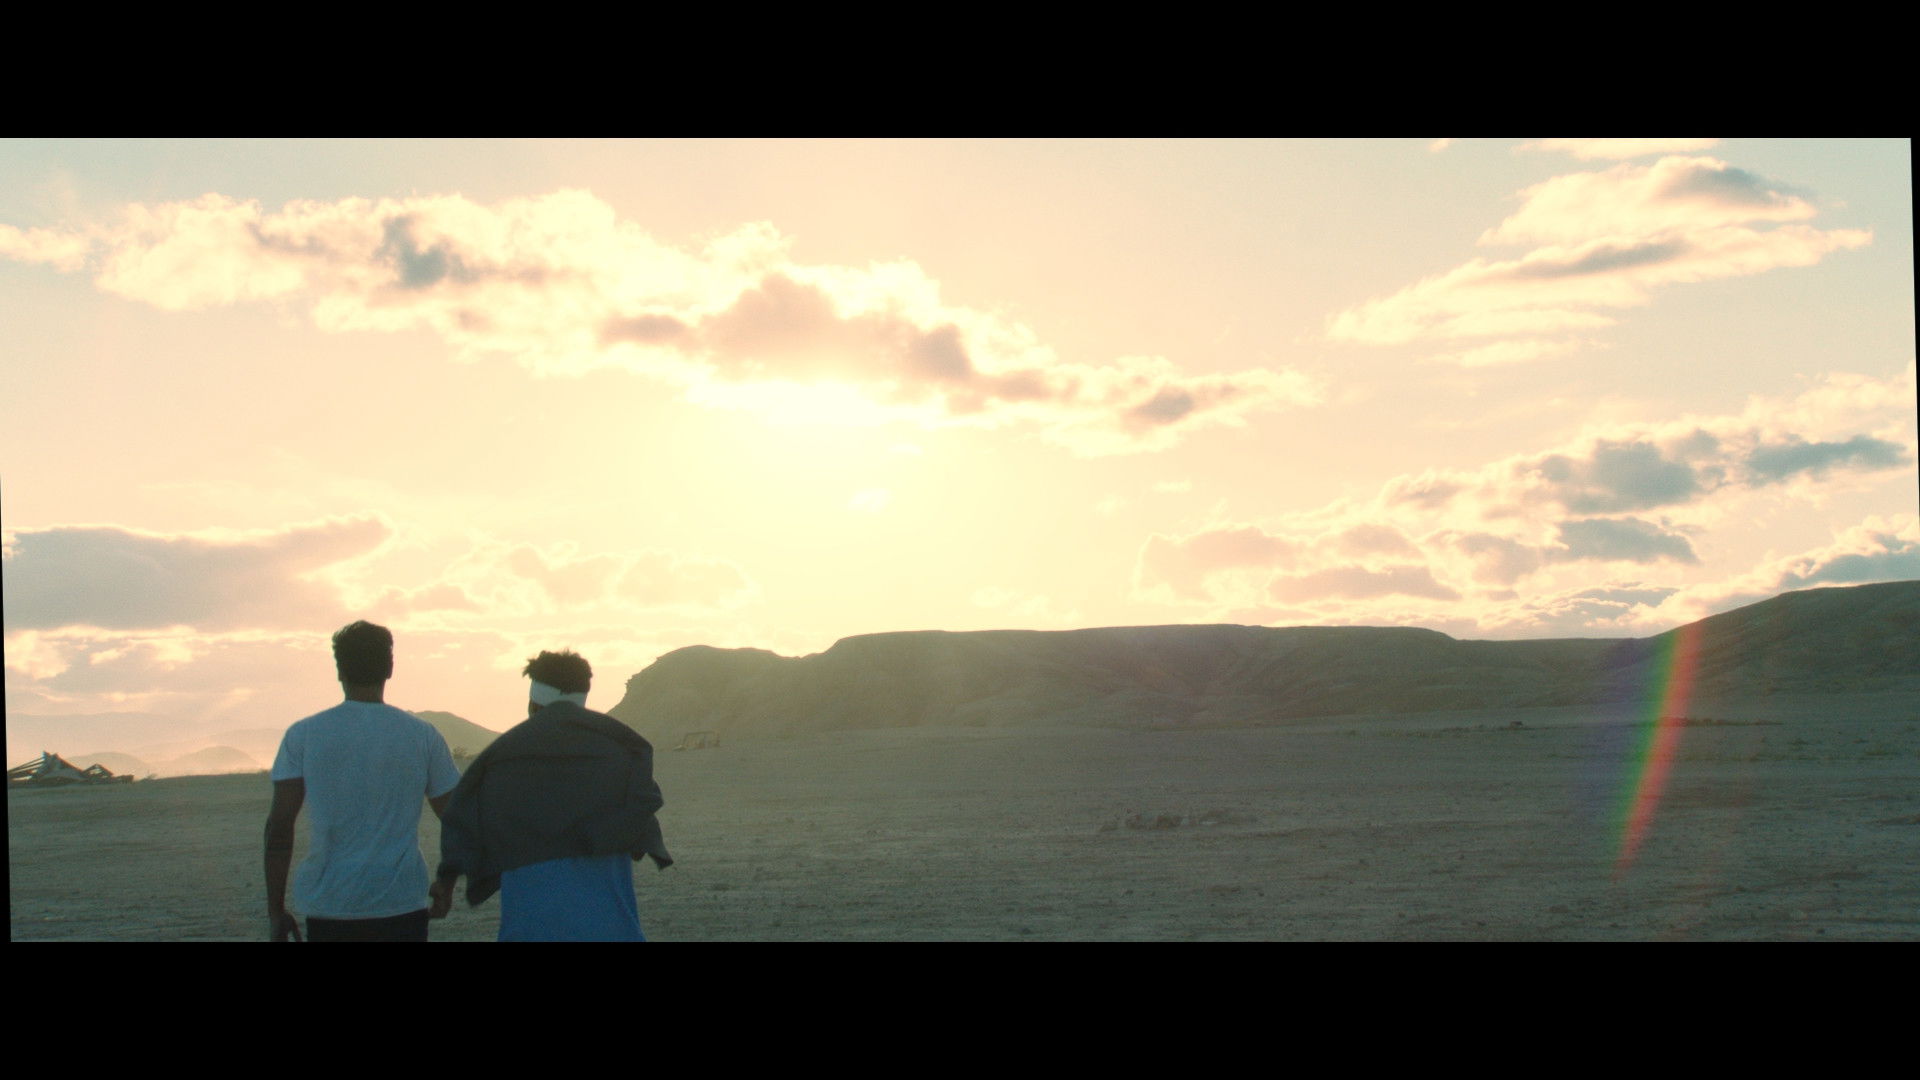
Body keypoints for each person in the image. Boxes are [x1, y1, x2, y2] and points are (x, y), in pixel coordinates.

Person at [431, 649, 672, 941]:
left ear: (533, 704)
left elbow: (464, 824)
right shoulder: (621, 754)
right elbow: (637, 843)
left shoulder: (504, 759)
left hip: (530, 931)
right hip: (611, 930)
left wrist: (446, 881)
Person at [265, 621, 462, 942]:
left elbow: (279, 828)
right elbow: (457, 819)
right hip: (401, 904)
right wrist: (446, 881)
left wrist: (275, 910)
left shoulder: (303, 735)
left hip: (331, 905)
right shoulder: (423, 736)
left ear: (339, 670)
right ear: (390, 668)